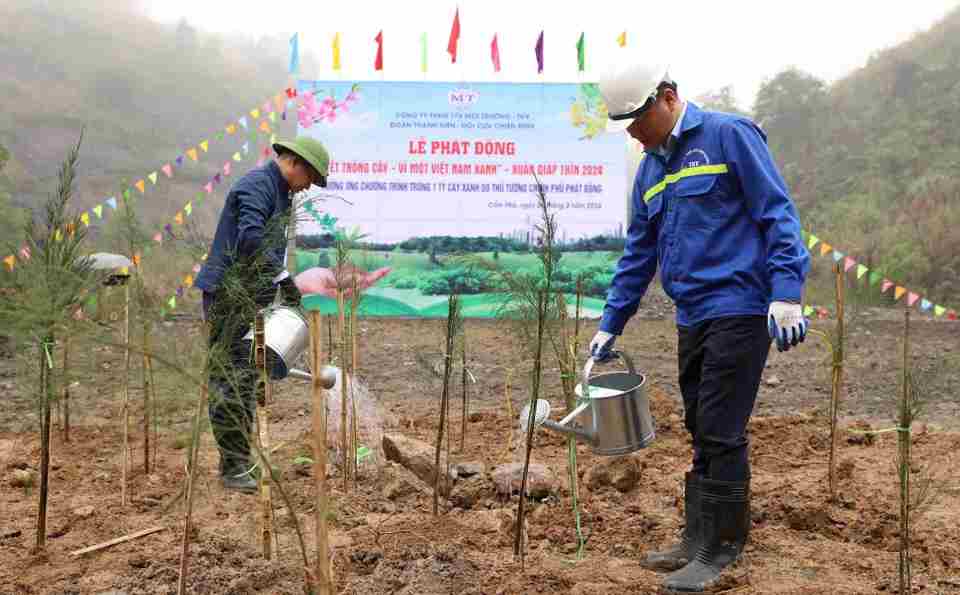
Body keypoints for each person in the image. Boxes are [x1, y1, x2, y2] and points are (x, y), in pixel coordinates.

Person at [590, 59, 810, 592]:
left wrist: (786, 293)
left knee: (720, 425)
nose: (636, 134)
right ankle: (697, 537)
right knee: (699, 424)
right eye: (627, 126)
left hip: (739, 306)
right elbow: (639, 254)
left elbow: (776, 213)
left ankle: (722, 547)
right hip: (692, 314)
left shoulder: (728, 136)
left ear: (667, 97)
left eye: (640, 119)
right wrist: (610, 323)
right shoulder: (649, 171)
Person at [194, 137, 330, 493]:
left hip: (249, 296)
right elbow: (250, 238)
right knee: (230, 378)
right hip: (228, 295)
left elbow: (266, 248)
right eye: (310, 180)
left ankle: (239, 459)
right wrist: (283, 278)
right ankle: (234, 467)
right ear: (297, 164)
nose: (306, 189)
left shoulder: (279, 191)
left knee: (248, 378)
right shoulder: (257, 184)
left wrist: (275, 290)